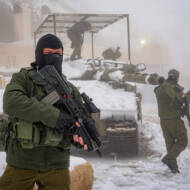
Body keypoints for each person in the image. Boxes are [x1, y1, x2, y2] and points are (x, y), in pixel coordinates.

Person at [0, 34, 87, 190]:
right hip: (22, 161)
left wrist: (78, 136)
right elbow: (11, 103)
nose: (54, 57)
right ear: (39, 54)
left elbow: (77, 122)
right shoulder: (24, 78)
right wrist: (55, 117)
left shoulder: (71, 90)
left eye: (58, 53)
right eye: (48, 53)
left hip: (57, 164)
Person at [154, 69, 188, 173]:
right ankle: (169, 159)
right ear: (177, 77)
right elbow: (182, 99)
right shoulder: (176, 88)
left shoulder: (159, 88)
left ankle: (173, 166)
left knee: (170, 143)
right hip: (174, 119)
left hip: (163, 120)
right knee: (183, 141)